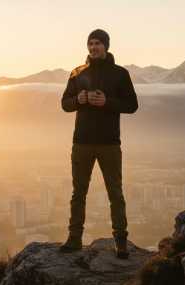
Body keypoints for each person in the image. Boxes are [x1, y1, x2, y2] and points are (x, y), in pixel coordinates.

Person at [59, 29, 139, 259]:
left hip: (109, 143)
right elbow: (65, 103)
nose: (93, 47)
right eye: (90, 43)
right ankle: (74, 239)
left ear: (106, 46)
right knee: (78, 193)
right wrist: (79, 100)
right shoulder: (77, 73)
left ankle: (121, 242)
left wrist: (107, 102)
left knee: (115, 192)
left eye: (98, 43)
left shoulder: (120, 74)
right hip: (81, 142)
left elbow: (132, 105)